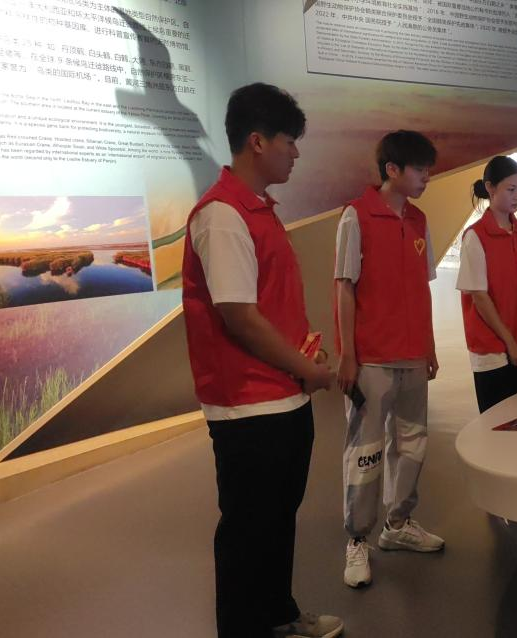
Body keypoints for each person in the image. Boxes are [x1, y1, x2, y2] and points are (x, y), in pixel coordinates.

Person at [181, 83, 342, 638]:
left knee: (277, 520)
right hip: (248, 404)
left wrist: (305, 359)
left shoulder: (258, 210)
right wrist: (308, 369)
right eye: (288, 141)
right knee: (249, 530)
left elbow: (270, 307)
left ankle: (278, 616)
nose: (295, 152)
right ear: (257, 141)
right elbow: (240, 318)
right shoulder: (223, 215)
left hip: (281, 395)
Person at [334, 130, 444, 590]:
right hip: (373, 359)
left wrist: (429, 345)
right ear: (392, 170)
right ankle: (357, 538)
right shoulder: (355, 216)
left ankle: (397, 524)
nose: (426, 177)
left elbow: (422, 287)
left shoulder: (419, 220)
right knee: (366, 450)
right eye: (419, 169)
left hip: (413, 356)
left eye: (427, 170)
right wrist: (348, 354)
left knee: (412, 443)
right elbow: (344, 286)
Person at [456, 155, 517, 413]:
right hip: (490, 348)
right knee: (494, 420)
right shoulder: (475, 236)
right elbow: (479, 297)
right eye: (511, 189)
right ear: (490, 188)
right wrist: (510, 343)